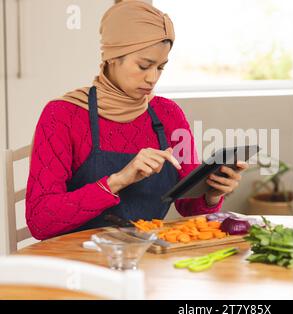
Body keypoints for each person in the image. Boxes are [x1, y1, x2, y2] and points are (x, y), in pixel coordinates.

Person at [25, 1, 248, 240]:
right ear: (112, 57)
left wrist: (211, 193)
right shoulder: (62, 115)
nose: (153, 78)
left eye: (161, 67)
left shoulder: (168, 113)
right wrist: (118, 181)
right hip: (78, 263)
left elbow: (187, 207)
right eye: (144, 65)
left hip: (145, 256)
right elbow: (41, 222)